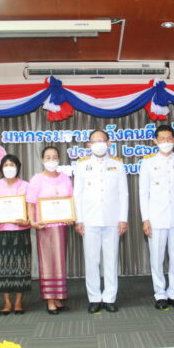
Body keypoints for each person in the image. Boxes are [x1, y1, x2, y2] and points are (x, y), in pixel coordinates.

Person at [139, 124, 174, 310]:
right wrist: (145, 219)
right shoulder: (148, 162)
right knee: (156, 258)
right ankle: (160, 294)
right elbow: (143, 193)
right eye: (162, 138)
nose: (166, 141)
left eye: (169, 138)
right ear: (155, 141)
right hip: (156, 218)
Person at [74, 130, 128, 314]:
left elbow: (123, 194)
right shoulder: (82, 165)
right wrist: (79, 220)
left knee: (111, 260)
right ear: (89, 145)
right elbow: (77, 195)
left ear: (109, 143)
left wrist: (123, 219)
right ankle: (94, 298)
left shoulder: (117, 164)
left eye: (102, 141)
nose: (98, 144)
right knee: (92, 261)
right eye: (94, 142)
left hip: (112, 220)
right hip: (89, 220)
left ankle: (110, 298)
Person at [26, 146, 74, 315]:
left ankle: (58, 297)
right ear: (42, 160)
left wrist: (71, 216)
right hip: (44, 227)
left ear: (59, 159)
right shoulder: (36, 179)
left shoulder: (65, 179)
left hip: (61, 226)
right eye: (48, 157)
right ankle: (50, 300)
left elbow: (71, 200)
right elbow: (30, 203)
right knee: (47, 262)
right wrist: (32, 221)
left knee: (59, 261)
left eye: (54, 157)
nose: (51, 160)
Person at [0, 154, 31, 315]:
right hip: (1, 231)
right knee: (1, 267)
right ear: (1, 168)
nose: (9, 168)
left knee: (21, 267)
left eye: (12, 165)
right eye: (6, 165)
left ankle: (18, 302)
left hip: (21, 231)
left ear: (18, 167)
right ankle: (6, 302)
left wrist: (27, 220)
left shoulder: (26, 185)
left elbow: (31, 207)